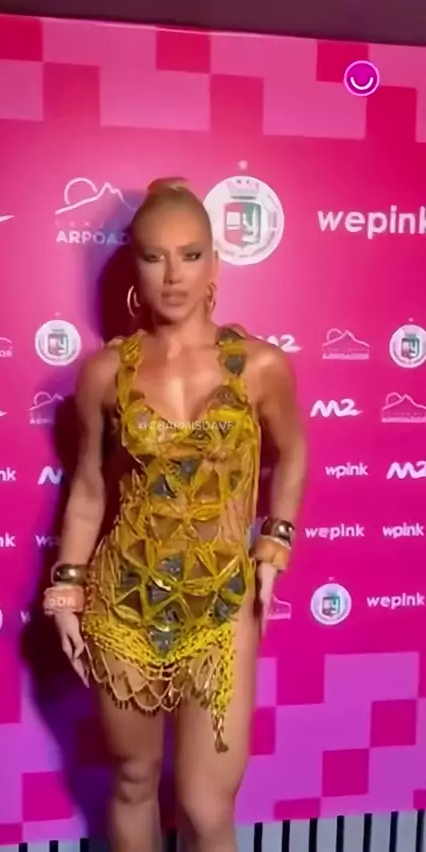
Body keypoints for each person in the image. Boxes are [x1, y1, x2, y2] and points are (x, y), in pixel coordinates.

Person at [44, 178, 307, 852]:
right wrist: (67, 587)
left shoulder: (260, 365)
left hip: (220, 608)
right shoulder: (104, 373)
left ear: (214, 263)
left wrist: (275, 545)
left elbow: (294, 454)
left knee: (205, 804)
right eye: (155, 256)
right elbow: (88, 489)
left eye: (190, 255)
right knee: (134, 780)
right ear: (134, 266)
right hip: (123, 606)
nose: (173, 275)